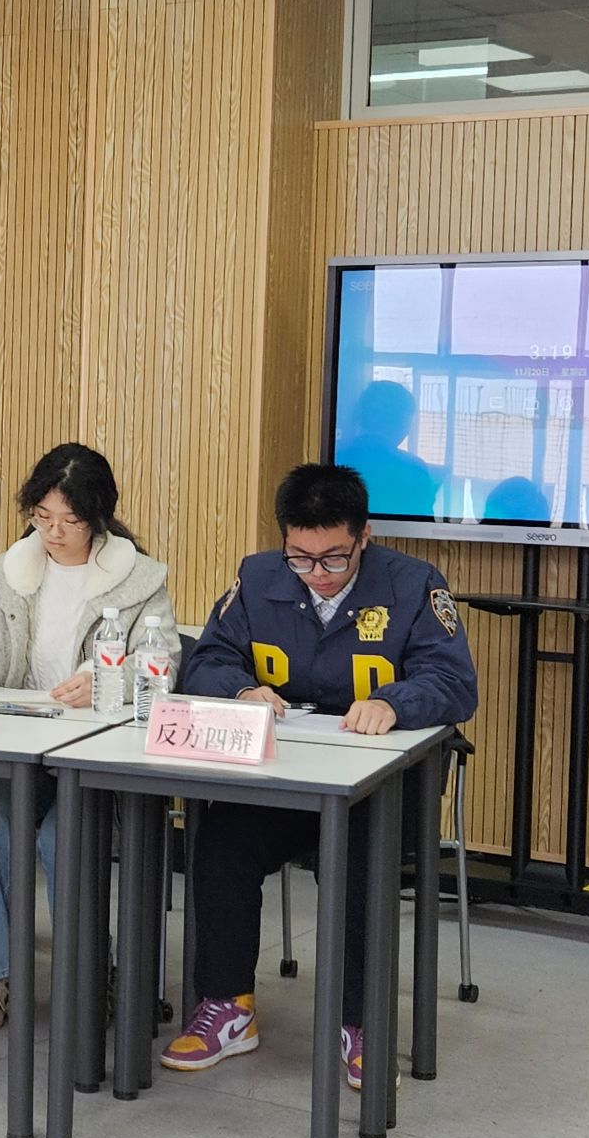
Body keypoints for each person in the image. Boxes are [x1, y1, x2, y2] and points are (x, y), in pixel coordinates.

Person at [164, 462, 476, 1090]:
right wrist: (241, 688)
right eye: (301, 559)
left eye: (334, 558)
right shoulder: (258, 577)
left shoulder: (414, 584)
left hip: (379, 790)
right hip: (284, 780)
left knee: (360, 864)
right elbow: (208, 660)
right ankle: (228, 1006)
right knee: (220, 847)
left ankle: (360, 1022)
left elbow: (453, 682)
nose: (318, 573)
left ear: (364, 537)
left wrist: (394, 703)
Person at [0, 444, 174, 1031]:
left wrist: (105, 682)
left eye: (70, 520)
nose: (54, 533)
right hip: (22, 747)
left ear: (98, 518)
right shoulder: (8, 574)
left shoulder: (138, 579)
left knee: (60, 835)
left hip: (96, 755)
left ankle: (86, 973)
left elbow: (162, 660)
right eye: (42, 517)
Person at [336, 379, 438, 518]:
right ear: (402, 423)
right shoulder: (414, 469)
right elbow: (425, 520)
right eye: (408, 422)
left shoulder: (337, 459)